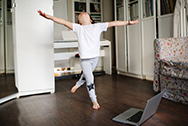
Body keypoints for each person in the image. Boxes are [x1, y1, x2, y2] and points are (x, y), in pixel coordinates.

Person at [37, 10, 139, 110]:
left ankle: (78, 83)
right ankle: (94, 101)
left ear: (91, 20)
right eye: (80, 15)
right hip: (85, 60)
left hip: (95, 58)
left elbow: (114, 23)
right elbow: (63, 21)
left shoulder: (97, 26)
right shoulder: (78, 28)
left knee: (86, 74)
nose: (83, 13)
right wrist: (49, 17)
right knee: (90, 78)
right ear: (79, 22)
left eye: (86, 13)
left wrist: (128, 22)